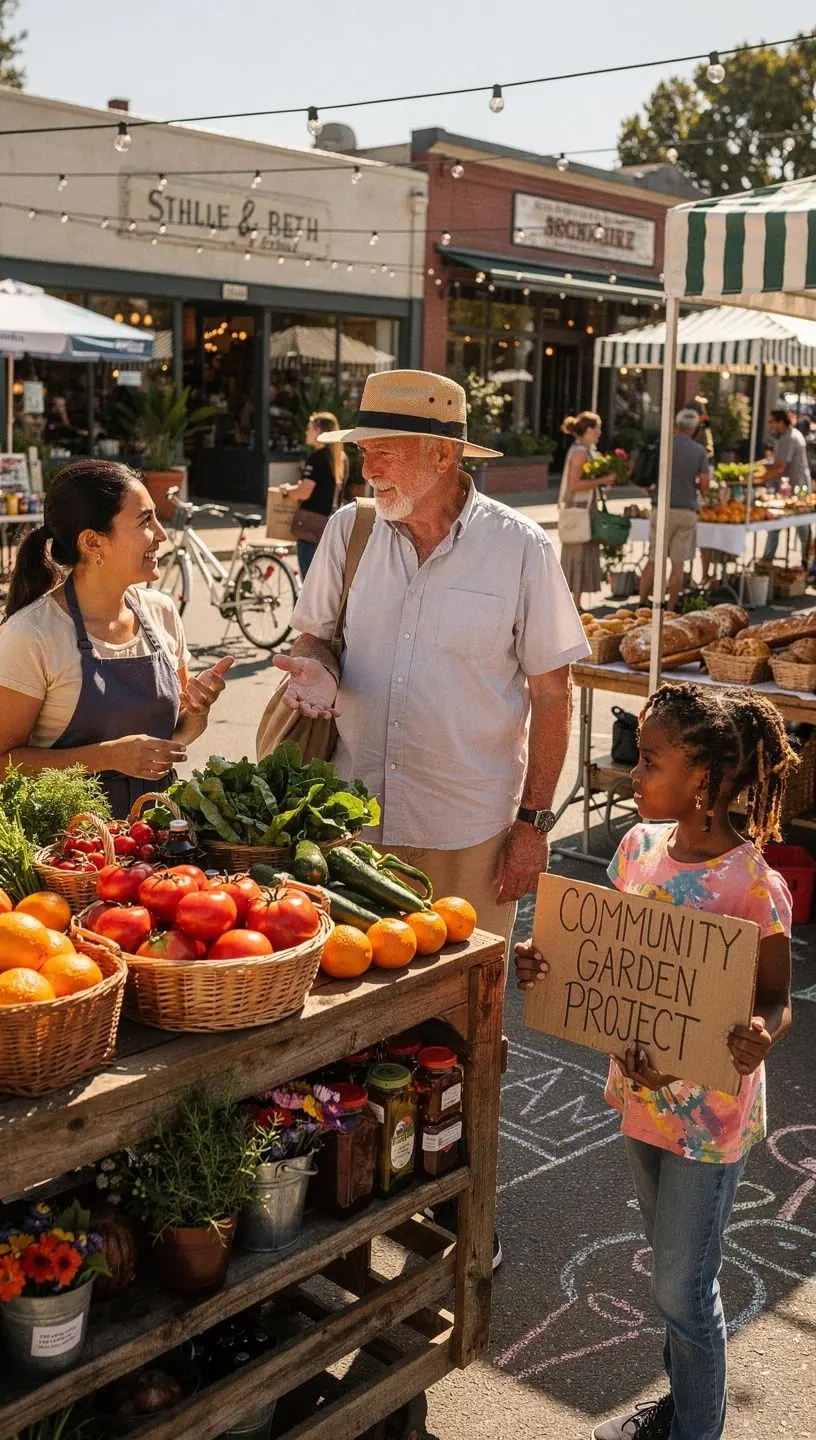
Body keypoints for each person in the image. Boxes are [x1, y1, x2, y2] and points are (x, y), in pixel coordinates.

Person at [515, 682, 795, 1440]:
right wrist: (548, 969)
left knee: (681, 1281)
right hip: (641, 1099)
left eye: (649, 761)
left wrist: (758, 1035)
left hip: (710, 1118)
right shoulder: (637, 850)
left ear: (702, 780)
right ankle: (679, 1407)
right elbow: (608, 962)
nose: (629, 775)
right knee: (670, 1268)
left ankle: (696, 1429)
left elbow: (774, 997)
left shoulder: (751, 884)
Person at [273, 369, 590, 948]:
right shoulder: (351, 530)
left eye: (383, 453)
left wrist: (534, 826)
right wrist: (315, 666)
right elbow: (313, 636)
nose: (368, 471)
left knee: (462, 1014)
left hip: (472, 834)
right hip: (355, 821)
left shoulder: (521, 546)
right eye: (364, 453)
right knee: (357, 1012)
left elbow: (552, 693)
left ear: (442, 454)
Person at [0, 460, 233, 816]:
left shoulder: (162, 613)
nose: (162, 534)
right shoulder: (31, 634)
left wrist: (198, 711)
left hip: (155, 833)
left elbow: (175, 737)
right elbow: (4, 765)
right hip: (69, 850)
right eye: (144, 521)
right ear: (93, 542)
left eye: (156, 517)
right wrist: (107, 757)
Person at [639, 409, 710, 611]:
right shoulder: (699, 451)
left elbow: (643, 476)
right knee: (678, 564)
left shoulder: (662, 445)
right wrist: (694, 488)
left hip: (660, 507)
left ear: (676, 425)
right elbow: (705, 483)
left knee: (653, 559)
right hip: (686, 509)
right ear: (695, 428)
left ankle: (642, 604)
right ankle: (669, 609)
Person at [282, 411, 345, 578]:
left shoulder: (317, 458)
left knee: (309, 580)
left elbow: (304, 492)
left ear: (318, 431)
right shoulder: (339, 458)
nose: (306, 432)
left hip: (311, 528)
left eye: (309, 428)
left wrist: (287, 490)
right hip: (328, 524)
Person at [557, 411, 609, 609]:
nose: (599, 432)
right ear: (587, 430)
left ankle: (575, 603)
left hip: (584, 508)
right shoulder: (580, 452)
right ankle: (572, 605)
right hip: (578, 509)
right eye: (597, 428)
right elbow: (574, 485)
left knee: (583, 554)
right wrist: (602, 480)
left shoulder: (588, 449)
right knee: (577, 556)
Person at [762, 408, 813, 563]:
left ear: (781, 422)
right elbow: (775, 462)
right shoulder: (786, 436)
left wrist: (759, 477)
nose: (769, 425)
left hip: (798, 486)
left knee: (802, 524)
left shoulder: (789, 437)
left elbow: (779, 466)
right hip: (795, 485)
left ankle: (808, 563)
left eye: (772, 422)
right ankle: (807, 562)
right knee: (791, 523)